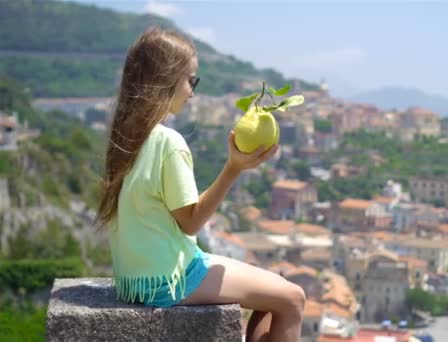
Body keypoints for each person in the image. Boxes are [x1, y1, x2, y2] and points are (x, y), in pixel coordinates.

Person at [96, 27, 306, 342]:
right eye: (190, 80)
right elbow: (191, 223)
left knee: (272, 289)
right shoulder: (169, 141)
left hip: (133, 280)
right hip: (171, 278)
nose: (192, 92)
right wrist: (233, 168)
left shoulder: (127, 137)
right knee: (293, 299)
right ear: (167, 78)